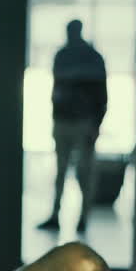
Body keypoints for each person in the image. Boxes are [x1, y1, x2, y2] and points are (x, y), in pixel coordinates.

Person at [38, 20, 107, 233]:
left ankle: (82, 216)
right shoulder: (66, 56)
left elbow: (101, 96)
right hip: (66, 121)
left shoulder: (89, 58)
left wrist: (96, 124)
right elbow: (56, 89)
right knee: (63, 171)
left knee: (82, 172)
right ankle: (59, 214)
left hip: (82, 122)